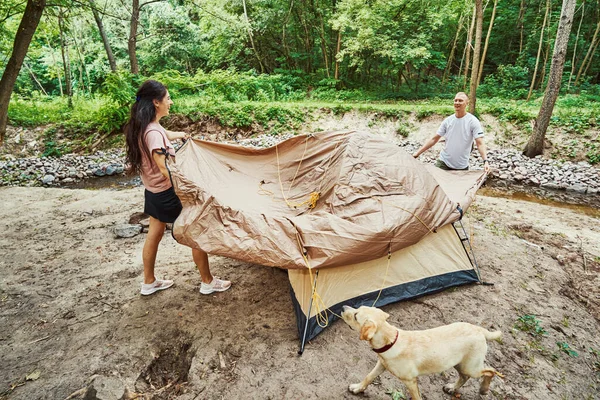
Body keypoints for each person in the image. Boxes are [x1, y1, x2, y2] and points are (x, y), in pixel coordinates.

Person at [124, 80, 231, 296]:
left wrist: (180, 135)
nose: (171, 102)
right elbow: (165, 168)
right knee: (196, 229)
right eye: (168, 98)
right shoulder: (152, 133)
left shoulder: (144, 126)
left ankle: (149, 282)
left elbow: (164, 134)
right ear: (156, 102)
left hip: (152, 191)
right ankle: (207, 282)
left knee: (154, 234)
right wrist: (190, 186)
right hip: (166, 193)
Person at [412, 92, 491, 174]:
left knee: (460, 187)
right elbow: (434, 139)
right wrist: (417, 153)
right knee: (436, 183)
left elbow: (480, 143)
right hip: (443, 163)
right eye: (455, 100)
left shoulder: (473, 121)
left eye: (460, 101)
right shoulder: (448, 121)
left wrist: (485, 161)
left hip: (462, 167)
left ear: (467, 103)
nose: (457, 103)